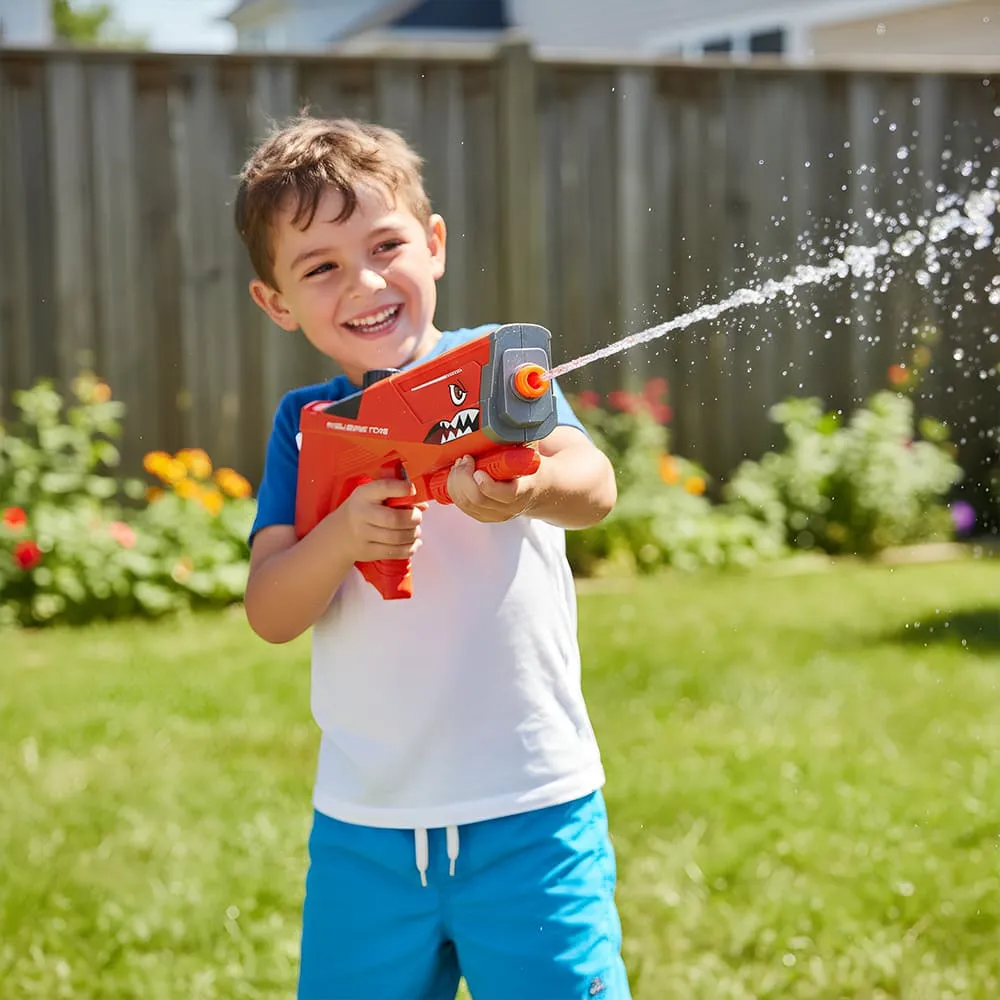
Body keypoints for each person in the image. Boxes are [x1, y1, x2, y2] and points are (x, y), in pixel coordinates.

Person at [235, 114, 629, 1000]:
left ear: (435, 243)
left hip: (532, 815)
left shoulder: (496, 370)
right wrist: (339, 538)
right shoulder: (306, 429)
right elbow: (270, 609)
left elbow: (594, 485)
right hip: (367, 832)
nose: (366, 282)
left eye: (385, 244)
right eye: (321, 267)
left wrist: (525, 490)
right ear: (276, 302)